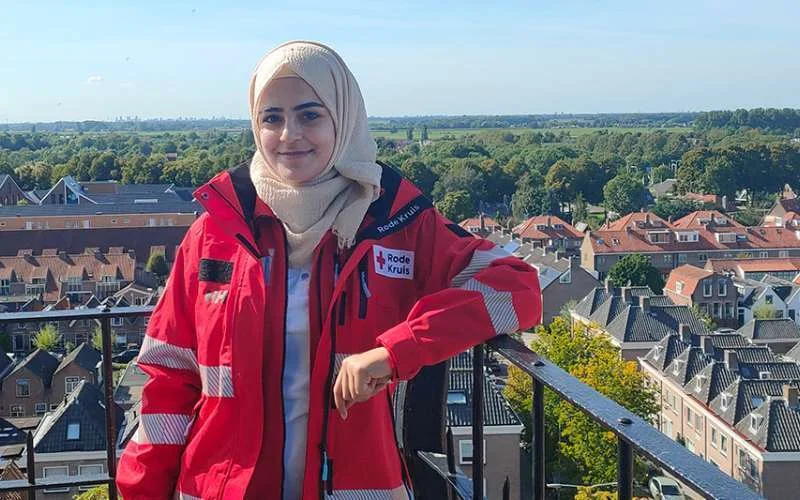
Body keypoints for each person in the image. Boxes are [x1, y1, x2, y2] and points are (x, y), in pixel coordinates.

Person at [116, 40, 541, 499]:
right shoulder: (217, 230)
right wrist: (142, 490)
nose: (288, 134)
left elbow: (516, 288)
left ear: (344, 117)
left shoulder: (395, 222)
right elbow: (168, 378)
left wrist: (397, 350)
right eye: (271, 118)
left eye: (310, 114)